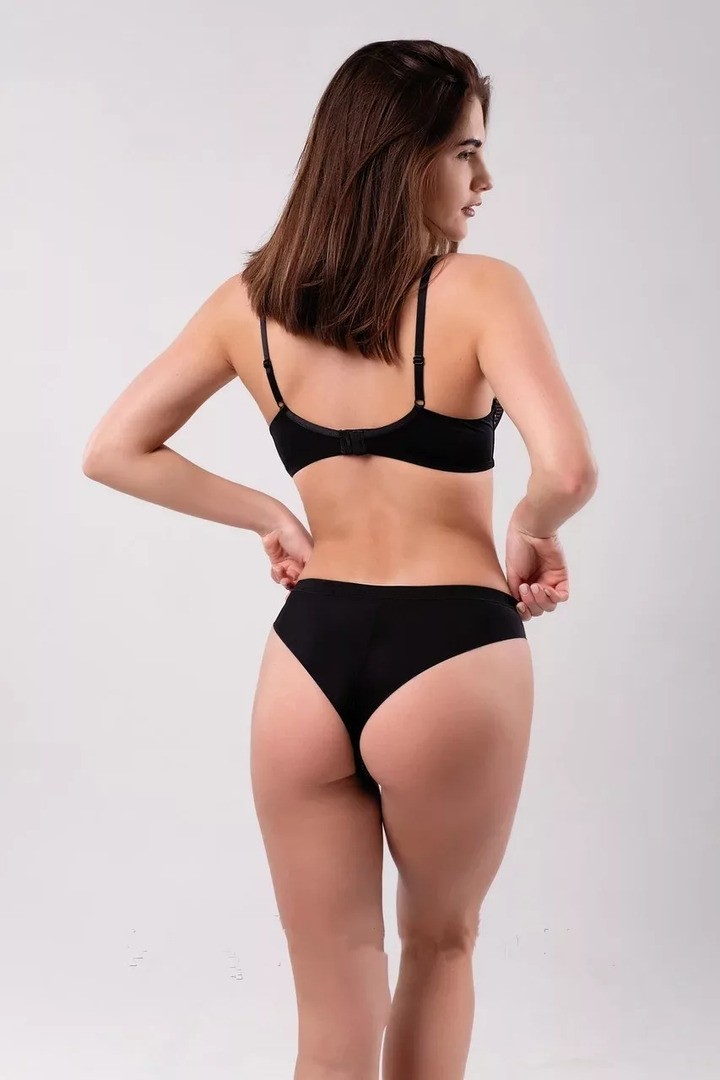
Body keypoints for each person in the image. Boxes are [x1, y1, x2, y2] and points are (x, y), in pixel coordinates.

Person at [82, 38, 598, 1080]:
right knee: (441, 947)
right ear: (398, 158)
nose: (485, 181)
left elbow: (113, 449)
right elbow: (569, 469)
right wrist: (532, 523)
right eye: (465, 153)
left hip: (306, 661)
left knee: (331, 988)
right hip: (452, 653)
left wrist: (266, 513)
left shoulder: (250, 306)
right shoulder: (481, 290)